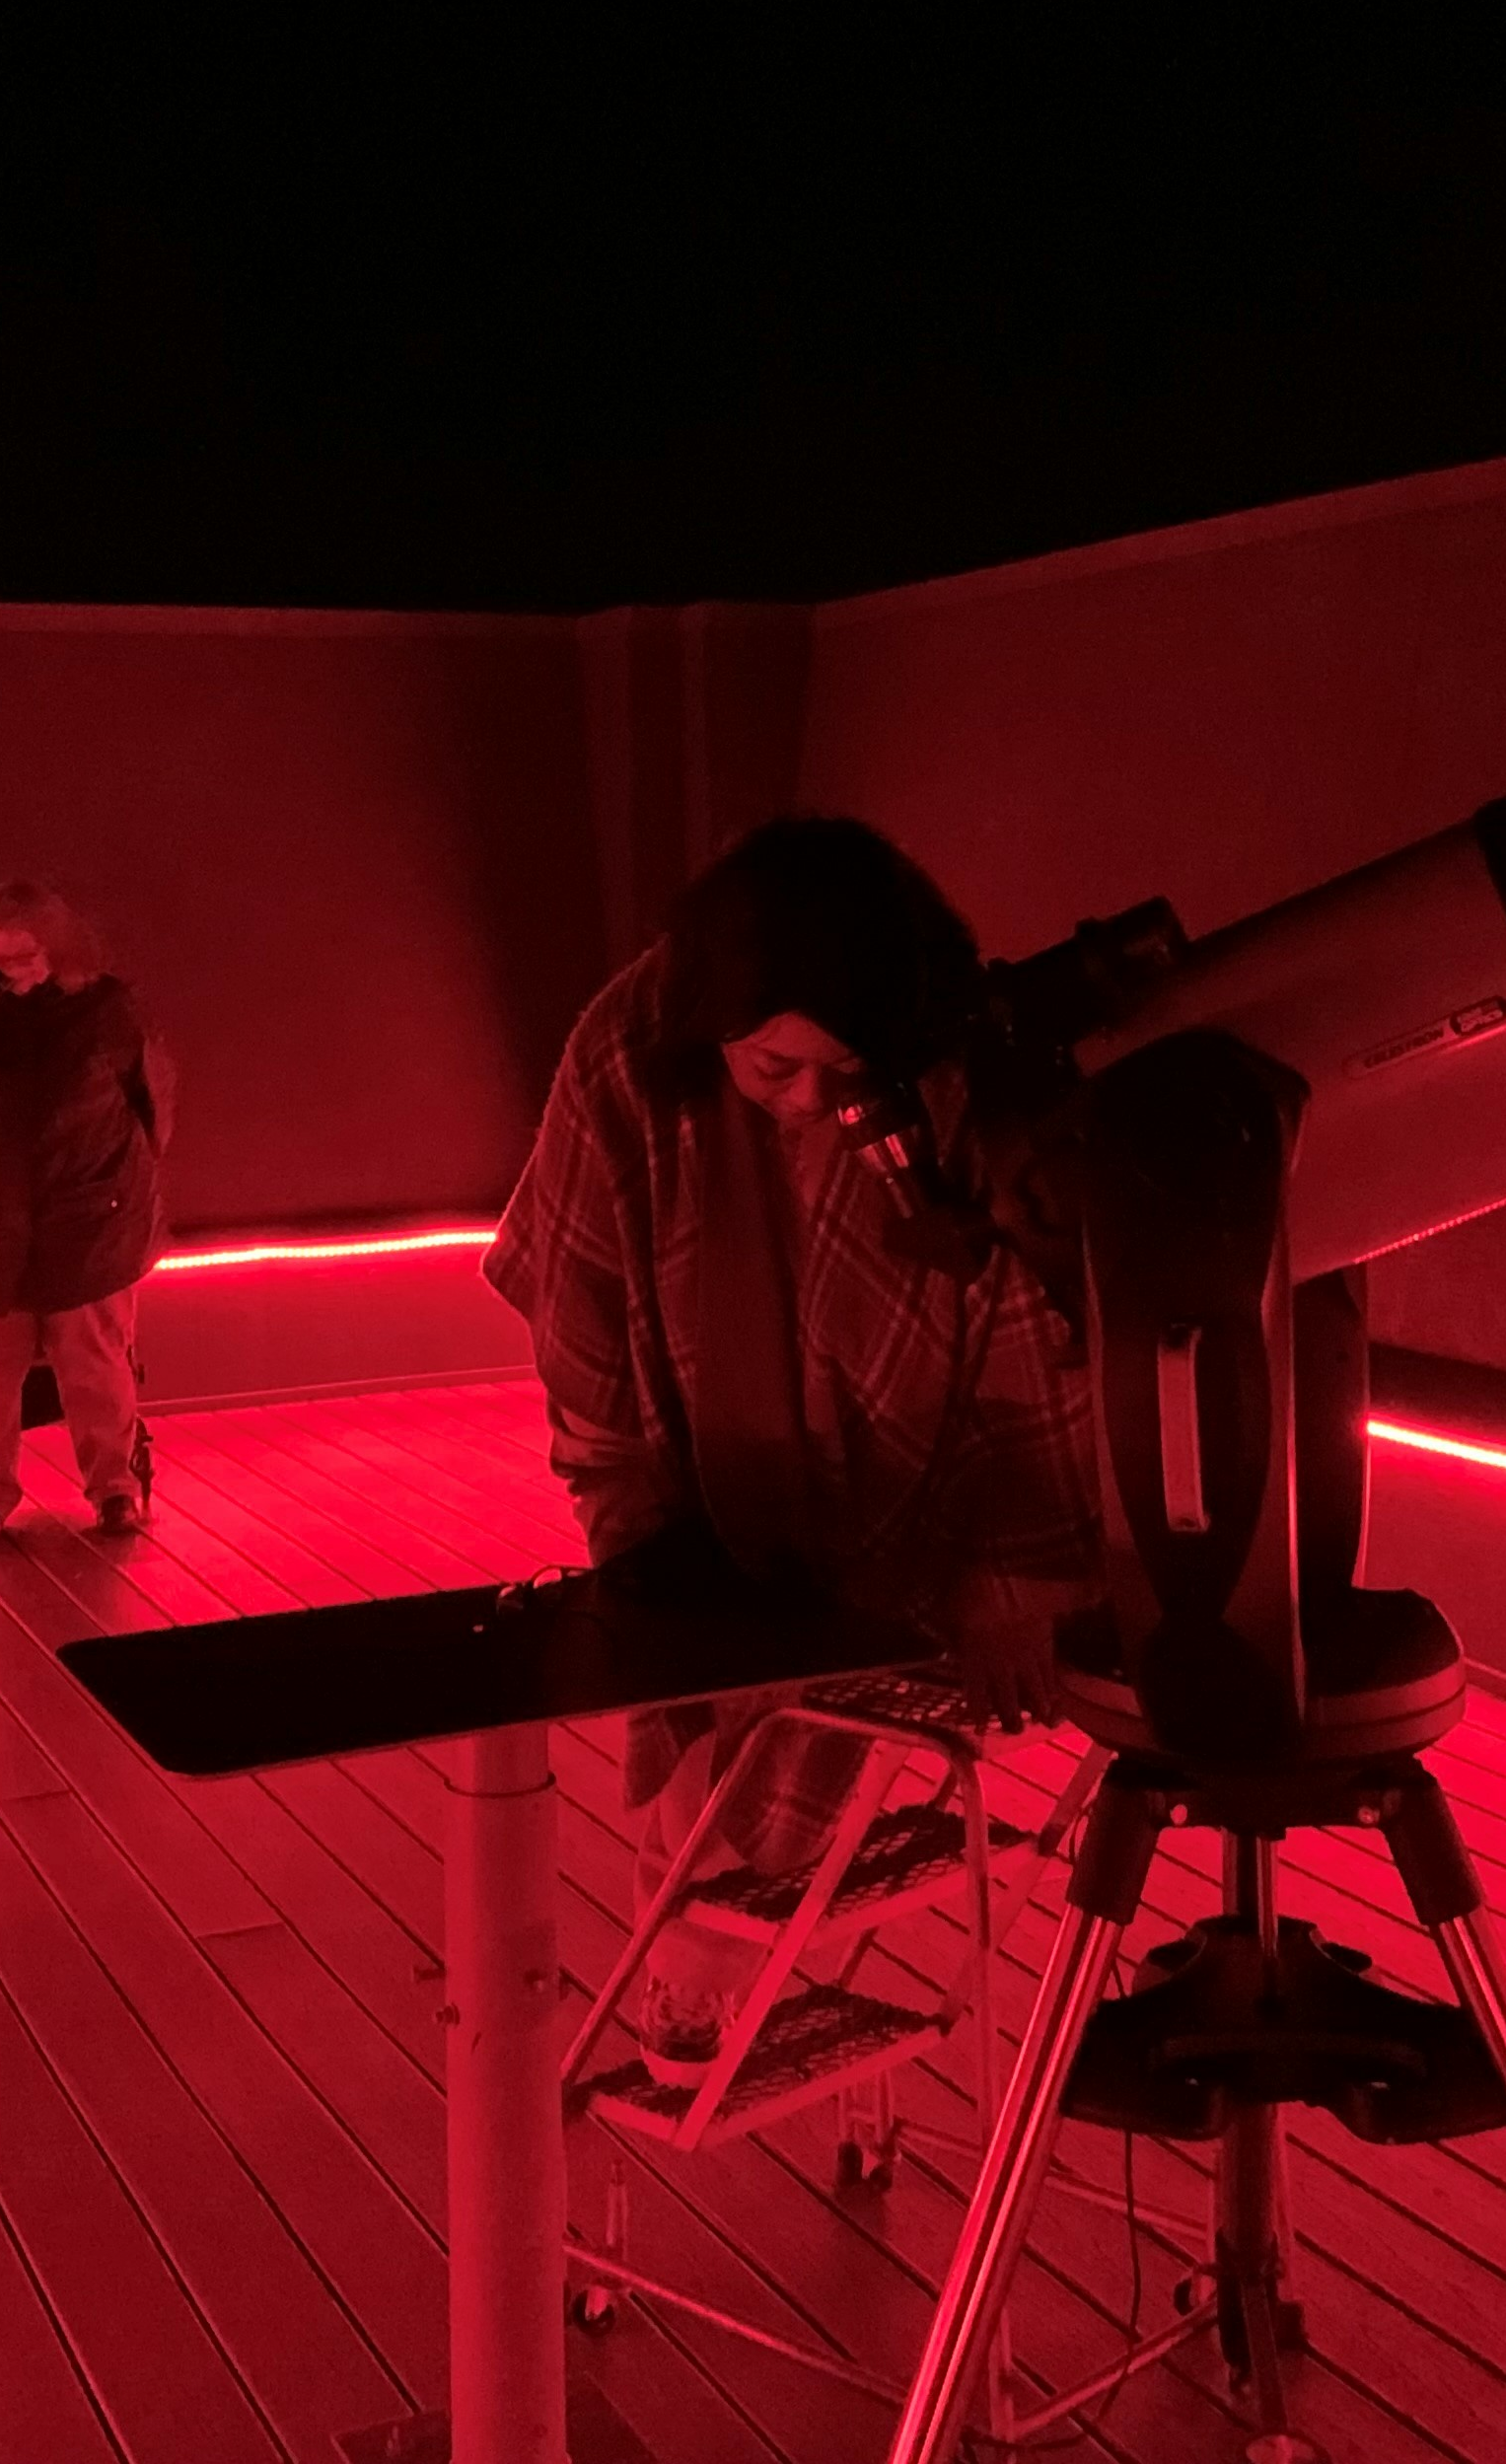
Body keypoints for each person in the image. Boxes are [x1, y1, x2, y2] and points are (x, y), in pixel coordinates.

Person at [488, 817, 1099, 2074]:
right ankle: (694, 1977)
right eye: (775, 1071)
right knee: (703, 1722)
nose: (812, 1102)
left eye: (842, 1073)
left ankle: (697, 1973)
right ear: (715, 1020)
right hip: (701, 1462)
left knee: (783, 1758)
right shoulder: (626, 1048)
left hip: (905, 1498)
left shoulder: (945, 1068)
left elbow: (1016, 1319)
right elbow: (584, 1293)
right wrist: (635, 1534)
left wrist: (1010, 1588)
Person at [0, 878, 173, 1547]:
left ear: (60, 948)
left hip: (79, 1217)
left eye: (26, 956)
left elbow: (149, 1098)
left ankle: (113, 1489)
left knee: (96, 1366)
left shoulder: (107, 1009)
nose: (11, 972)